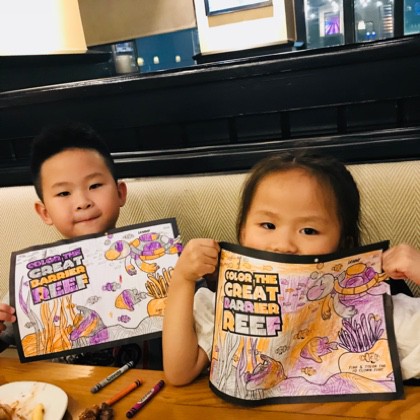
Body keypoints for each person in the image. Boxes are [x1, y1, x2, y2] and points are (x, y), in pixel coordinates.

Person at [162, 150, 420, 386]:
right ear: (242, 231)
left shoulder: (372, 314)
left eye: (309, 230)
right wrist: (183, 278)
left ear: (344, 243)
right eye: (268, 225)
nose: (283, 245)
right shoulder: (224, 308)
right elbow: (179, 372)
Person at [0, 122, 158, 367]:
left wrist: (197, 278)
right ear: (44, 212)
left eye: (94, 186)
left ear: (120, 193)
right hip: (62, 389)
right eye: (64, 193)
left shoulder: (155, 257)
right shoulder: (32, 278)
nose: (83, 202)